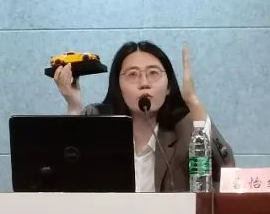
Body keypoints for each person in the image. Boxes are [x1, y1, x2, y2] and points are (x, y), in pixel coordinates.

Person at [52, 40, 235, 192]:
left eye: (153, 73)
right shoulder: (97, 122)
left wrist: (193, 102)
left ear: (168, 86)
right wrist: (74, 106)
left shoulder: (185, 129)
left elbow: (227, 174)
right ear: (118, 86)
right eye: (133, 74)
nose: (144, 83)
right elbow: (64, 178)